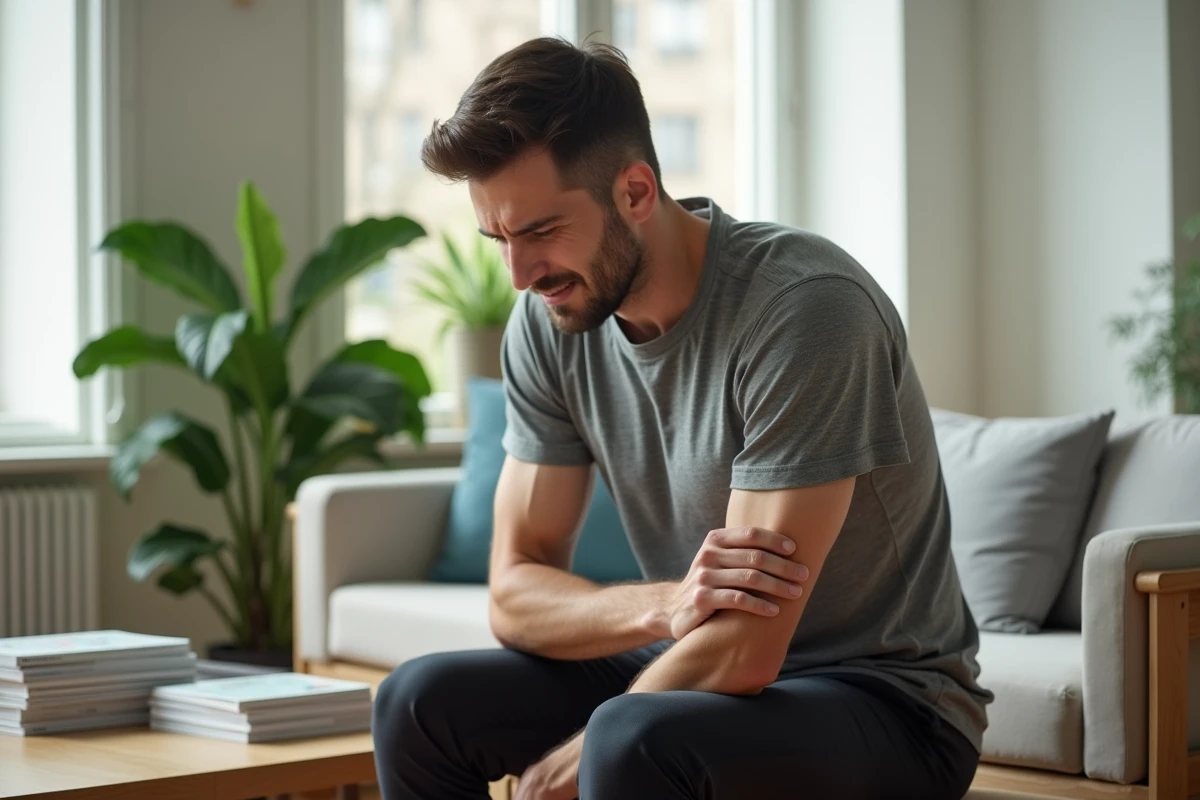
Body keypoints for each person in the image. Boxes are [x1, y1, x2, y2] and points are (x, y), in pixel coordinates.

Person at [371, 36, 993, 800]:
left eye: (540, 232)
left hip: (886, 702)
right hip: (695, 659)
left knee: (628, 739)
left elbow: (747, 645)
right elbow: (514, 594)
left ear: (635, 192)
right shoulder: (551, 321)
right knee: (416, 703)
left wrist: (571, 763)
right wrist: (666, 604)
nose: (520, 275)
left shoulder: (805, 311)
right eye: (499, 238)